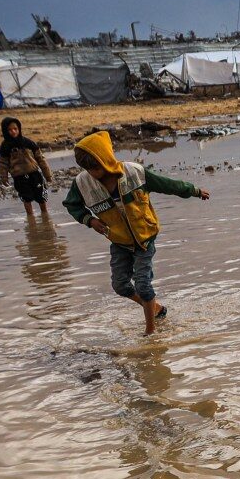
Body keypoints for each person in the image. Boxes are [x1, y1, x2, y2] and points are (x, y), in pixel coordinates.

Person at [62, 130, 209, 335]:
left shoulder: (134, 172)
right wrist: (90, 220)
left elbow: (167, 185)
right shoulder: (82, 183)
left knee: (143, 286)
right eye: (88, 169)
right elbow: (72, 205)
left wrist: (193, 190)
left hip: (144, 238)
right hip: (119, 240)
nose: (92, 173)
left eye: (95, 168)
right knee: (120, 285)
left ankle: (151, 332)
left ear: (106, 159)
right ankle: (156, 308)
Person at [0, 116, 55, 217]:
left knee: (41, 196)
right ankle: (30, 216)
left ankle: (45, 216)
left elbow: (40, 158)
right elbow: (3, 164)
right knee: (26, 198)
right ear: (5, 131)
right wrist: (4, 178)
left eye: (15, 129)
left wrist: (47, 175)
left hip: (34, 174)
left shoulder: (28, 142)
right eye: (10, 130)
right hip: (19, 177)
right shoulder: (5, 147)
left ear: (19, 129)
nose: (13, 131)